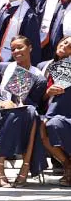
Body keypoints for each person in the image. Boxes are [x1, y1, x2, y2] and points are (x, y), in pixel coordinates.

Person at [0, 36, 46, 187]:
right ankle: (20, 168)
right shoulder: (2, 67)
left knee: (30, 112)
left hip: (23, 118)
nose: (16, 51)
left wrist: (18, 102)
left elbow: (32, 102)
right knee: (29, 114)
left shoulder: (39, 76)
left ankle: (3, 165)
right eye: (13, 49)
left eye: (20, 47)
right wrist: (2, 101)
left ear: (30, 48)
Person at [38, 36, 71, 186]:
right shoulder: (42, 66)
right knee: (42, 126)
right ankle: (68, 165)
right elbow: (35, 96)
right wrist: (47, 93)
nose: (64, 46)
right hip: (44, 111)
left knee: (53, 124)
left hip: (64, 113)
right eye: (64, 42)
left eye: (70, 46)